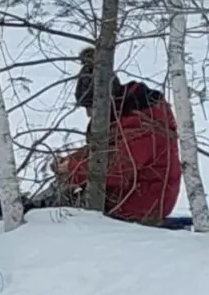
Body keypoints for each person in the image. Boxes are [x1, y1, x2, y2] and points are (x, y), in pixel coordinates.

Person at [34, 48, 182, 225]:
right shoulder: (124, 116)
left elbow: (118, 170)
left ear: (105, 102)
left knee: (66, 210)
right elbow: (101, 152)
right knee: (65, 194)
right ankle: (33, 207)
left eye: (91, 108)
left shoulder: (143, 124)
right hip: (123, 195)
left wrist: (73, 168)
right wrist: (69, 162)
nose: (89, 115)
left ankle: (35, 215)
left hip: (143, 205)